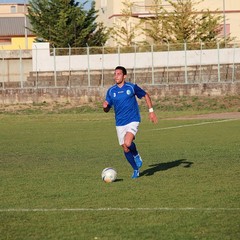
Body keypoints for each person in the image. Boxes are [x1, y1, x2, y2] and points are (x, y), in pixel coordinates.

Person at [103, 66, 158, 179]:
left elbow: (146, 95)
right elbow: (107, 108)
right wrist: (105, 107)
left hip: (133, 119)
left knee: (128, 143)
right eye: (115, 74)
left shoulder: (131, 87)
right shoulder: (111, 91)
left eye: (119, 74)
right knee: (125, 148)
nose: (116, 76)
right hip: (119, 123)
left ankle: (136, 154)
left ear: (124, 76)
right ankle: (135, 169)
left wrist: (151, 112)